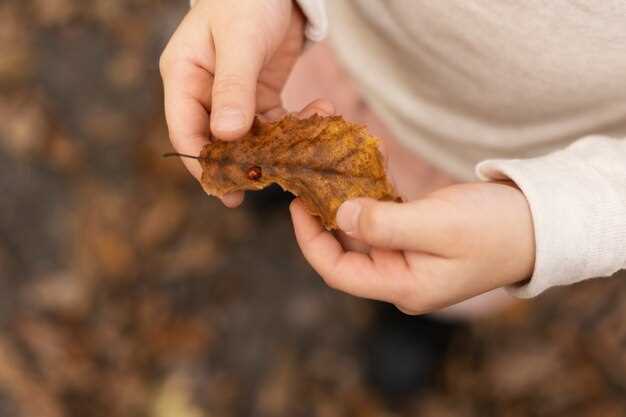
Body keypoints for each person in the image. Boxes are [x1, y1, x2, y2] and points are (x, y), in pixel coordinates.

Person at [160, 1, 626, 321]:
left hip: (491, 177)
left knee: (419, 264)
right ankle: (272, 185)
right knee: (279, 150)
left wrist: (547, 224)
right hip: (315, 46)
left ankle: (415, 318)